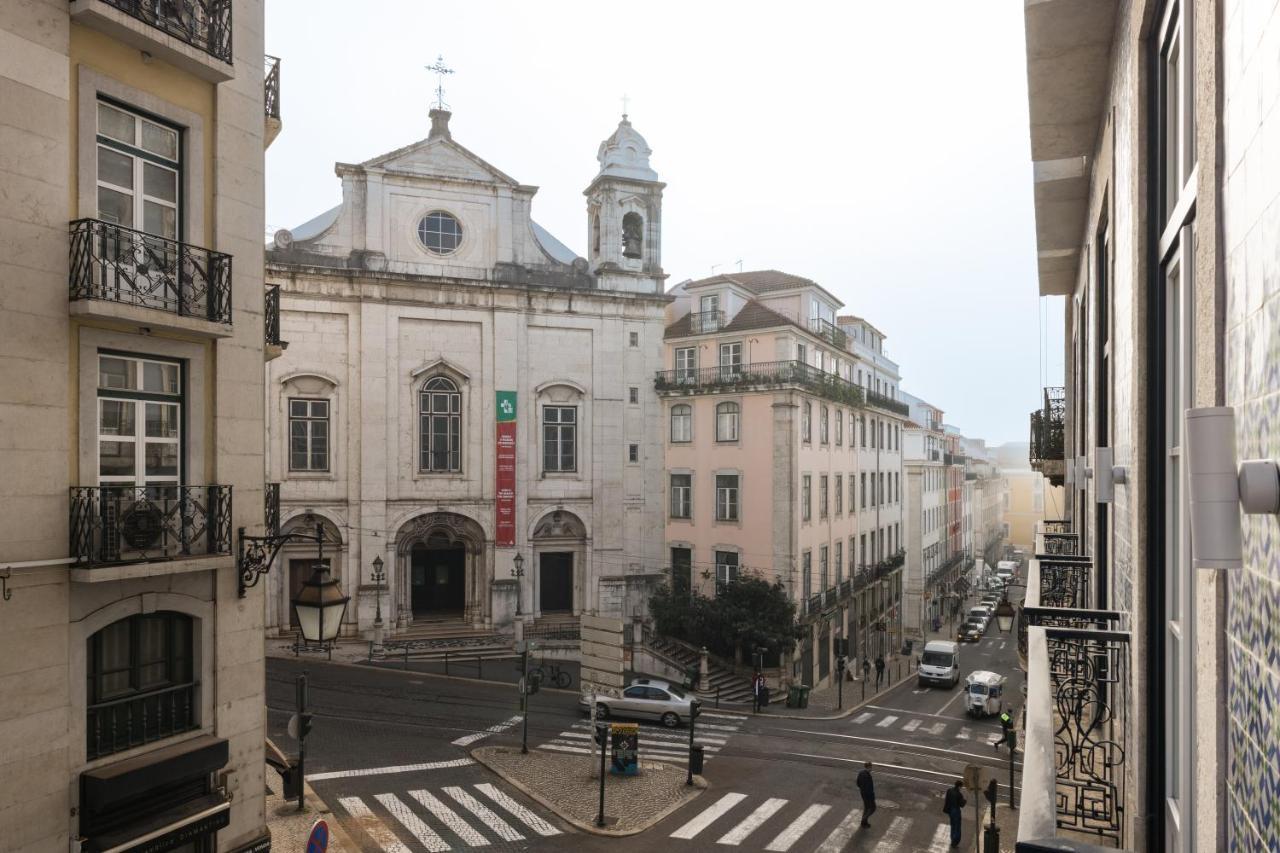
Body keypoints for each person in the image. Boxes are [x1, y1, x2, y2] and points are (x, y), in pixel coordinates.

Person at [943, 779, 966, 847]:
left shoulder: (949, 790)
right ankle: (955, 842)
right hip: (956, 811)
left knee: (952, 825)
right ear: (959, 786)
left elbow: (947, 800)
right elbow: (962, 805)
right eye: (961, 787)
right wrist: (965, 800)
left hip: (950, 810)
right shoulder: (959, 794)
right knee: (957, 827)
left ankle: (952, 838)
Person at [855, 761, 876, 827]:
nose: (871, 769)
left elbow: (858, 783)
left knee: (866, 808)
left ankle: (864, 823)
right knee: (873, 808)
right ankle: (863, 820)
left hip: (863, 793)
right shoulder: (867, 776)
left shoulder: (861, 772)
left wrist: (861, 788)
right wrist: (872, 797)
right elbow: (869, 789)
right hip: (868, 795)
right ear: (869, 767)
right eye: (871, 767)